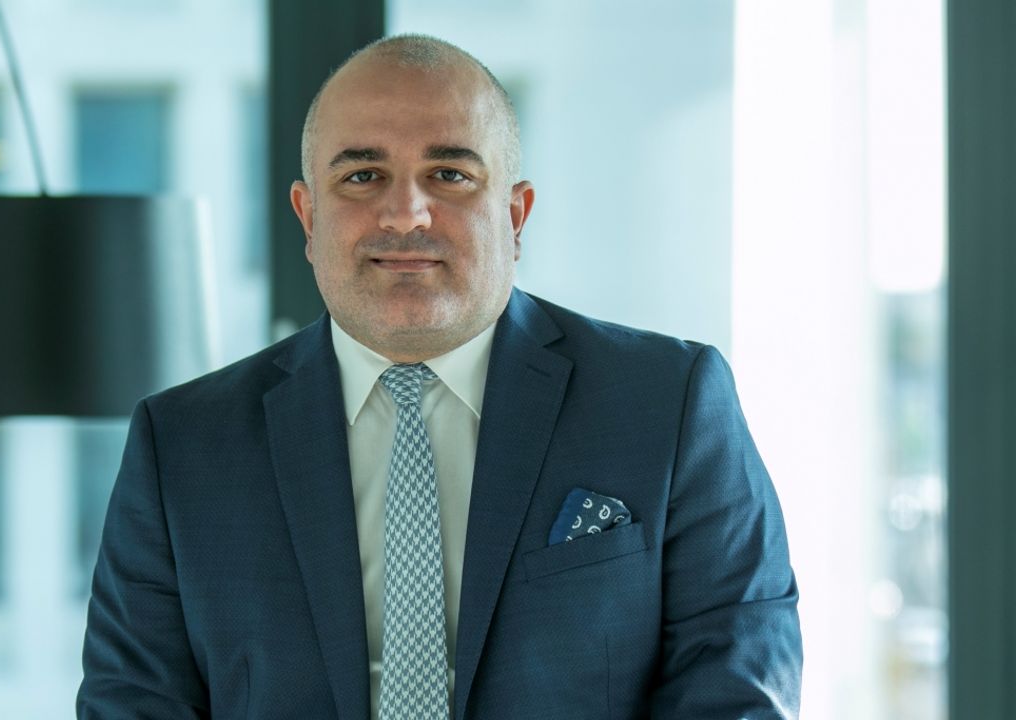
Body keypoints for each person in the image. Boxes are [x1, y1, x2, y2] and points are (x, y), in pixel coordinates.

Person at [77, 33, 802, 720]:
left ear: (515, 215)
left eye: (449, 174)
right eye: (362, 176)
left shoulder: (669, 404)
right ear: (308, 217)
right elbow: (133, 703)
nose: (405, 214)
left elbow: (735, 684)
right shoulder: (182, 446)